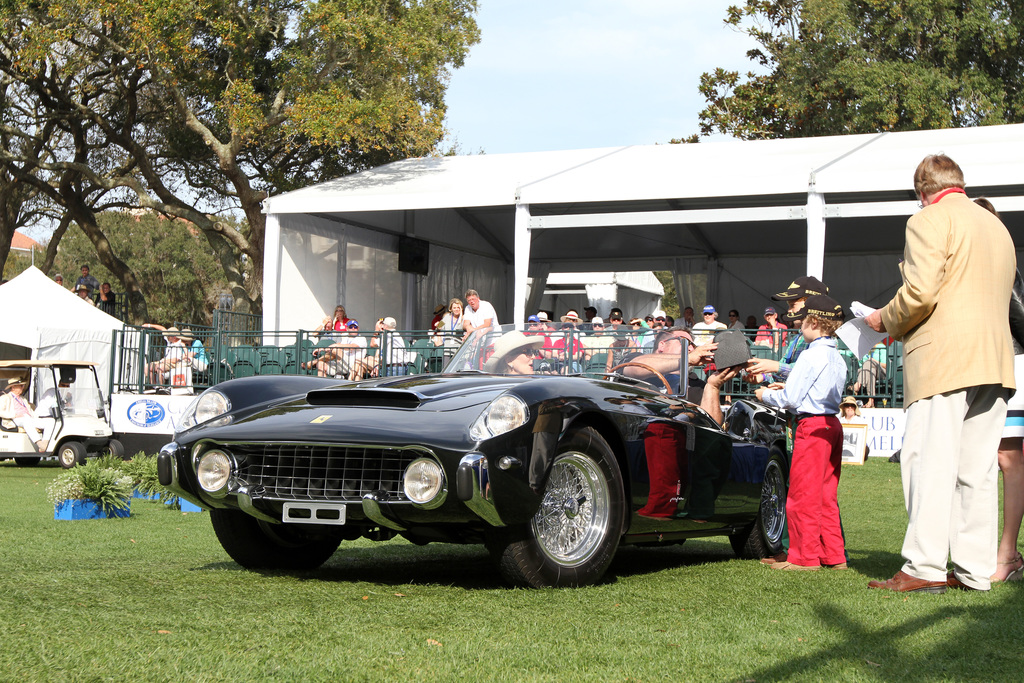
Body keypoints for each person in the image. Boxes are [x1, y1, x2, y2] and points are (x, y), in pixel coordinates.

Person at [865, 154, 1016, 593]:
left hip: (944, 358)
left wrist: (884, 320)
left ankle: (924, 567)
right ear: (958, 182)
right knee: (978, 469)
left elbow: (920, 293)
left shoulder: (929, 220)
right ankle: (973, 570)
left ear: (922, 193)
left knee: (928, 461)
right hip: (994, 358)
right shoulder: (997, 227)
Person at [756, 295, 847, 571]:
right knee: (825, 494)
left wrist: (765, 395)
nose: (798, 326)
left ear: (814, 322)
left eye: (802, 321)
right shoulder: (837, 357)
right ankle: (834, 556)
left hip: (812, 426)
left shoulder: (810, 355)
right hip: (832, 424)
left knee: (802, 494)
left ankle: (804, 558)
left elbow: (792, 399)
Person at [977, 198, 1024, 583]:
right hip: (976, 368)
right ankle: (983, 550)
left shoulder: (1002, 264)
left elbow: (1020, 318)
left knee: (1007, 460)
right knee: (980, 461)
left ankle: (1007, 553)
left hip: (1009, 365)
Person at [0, 378, 49, 451]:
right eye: (20, 386)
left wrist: (37, 417)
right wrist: (14, 414)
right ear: (13, 387)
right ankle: (39, 443)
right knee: (26, 421)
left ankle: (45, 442)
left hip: (28, 417)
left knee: (50, 422)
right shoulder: (5, 398)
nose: (23, 388)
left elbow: (30, 411)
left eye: (22, 386)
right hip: (15, 419)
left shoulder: (23, 398)